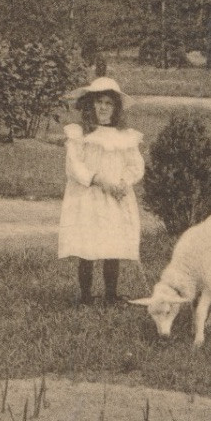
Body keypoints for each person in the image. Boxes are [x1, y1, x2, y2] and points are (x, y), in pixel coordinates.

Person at [60, 77, 145, 307]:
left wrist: (122, 183)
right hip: (88, 196)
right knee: (87, 245)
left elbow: (135, 166)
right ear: (90, 105)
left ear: (116, 108)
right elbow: (75, 165)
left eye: (109, 103)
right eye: (99, 102)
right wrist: (98, 180)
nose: (103, 108)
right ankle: (85, 296)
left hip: (115, 197)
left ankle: (111, 294)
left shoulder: (125, 136)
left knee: (112, 243)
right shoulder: (80, 135)